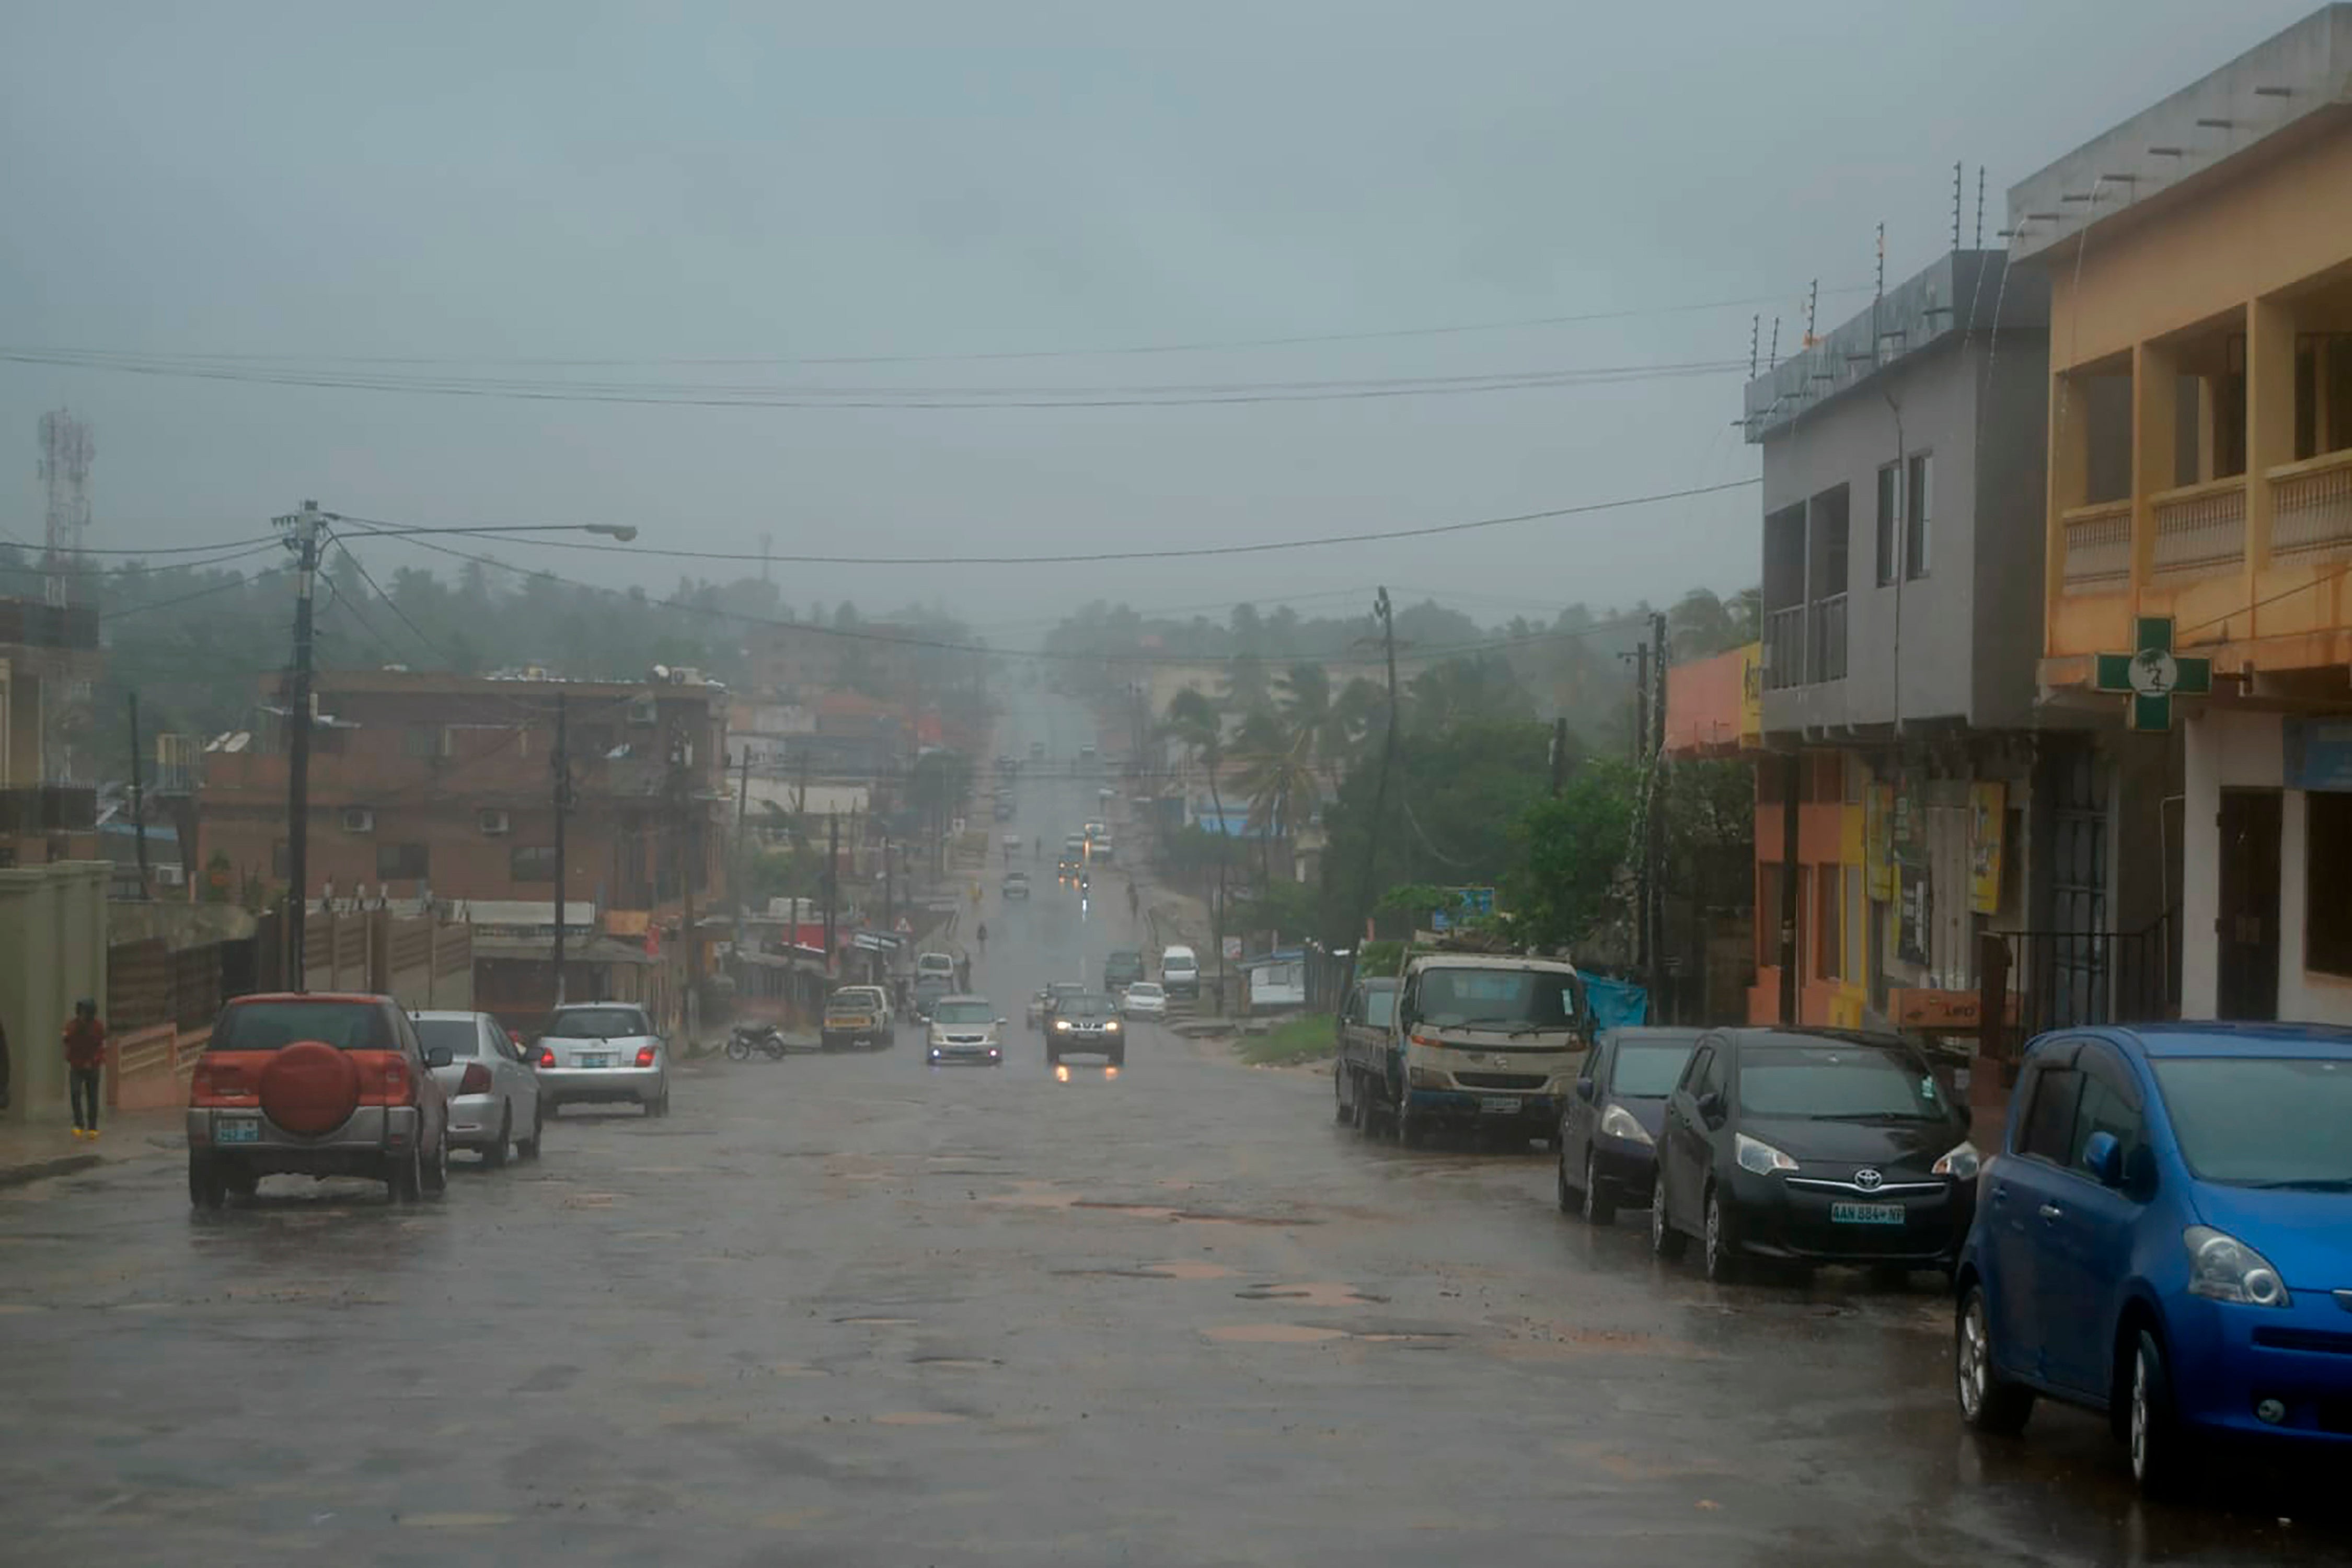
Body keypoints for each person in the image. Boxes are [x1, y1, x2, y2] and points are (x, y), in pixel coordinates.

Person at [64, 999, 106, 1140]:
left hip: (92, 1067)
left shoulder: (97, 1027)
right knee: (75, 1092)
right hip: (76, 1066)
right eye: (80, 1012)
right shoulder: (74, 1025)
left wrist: (93, 1061)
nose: (82, 1015)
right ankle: (79, 1123)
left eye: (85, 1012)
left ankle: (93, 1127)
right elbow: (67, 1037)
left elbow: (101, 1046)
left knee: (92, 1096)